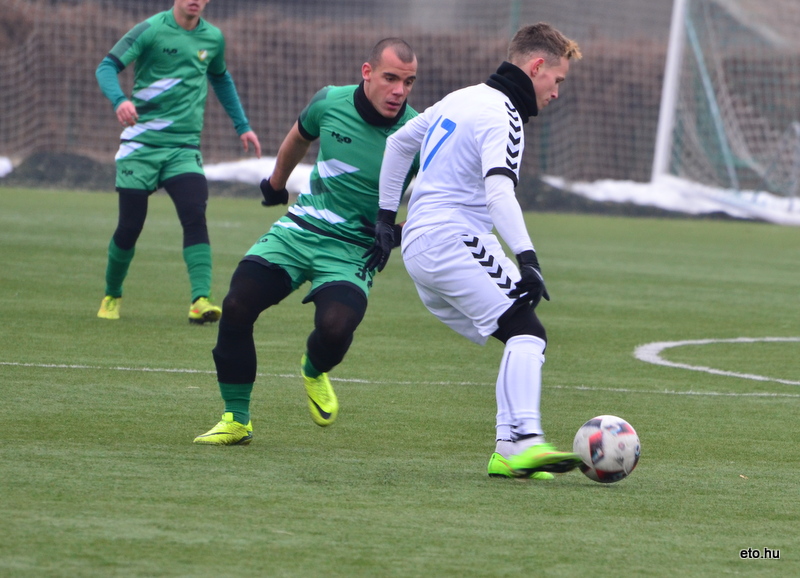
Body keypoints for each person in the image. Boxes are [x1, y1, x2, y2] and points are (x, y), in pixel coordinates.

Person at [367, 23, 583, 479]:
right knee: (527, 332)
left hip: (426, 246)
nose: (556, 93)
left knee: (519, 333)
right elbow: (499, 193)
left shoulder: (462, 97)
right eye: (557, 80)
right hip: (452, 240)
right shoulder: (504, 114)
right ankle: (526, 441)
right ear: (537, 66)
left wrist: (387, 219)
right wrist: (528, 259)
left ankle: (508, 450)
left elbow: (399, 142)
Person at [193, 38, 418, 444]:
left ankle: (314, 369)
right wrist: (276, 183)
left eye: (408, 82)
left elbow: (443, 200)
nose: (399, 91)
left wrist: (398, 232)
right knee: (237, 304)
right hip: (302, 227)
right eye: (391, 78)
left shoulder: (419, 132)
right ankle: (236, 419)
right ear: (367, 73)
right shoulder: (329, 101)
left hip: (354, 247)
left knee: (335, 329)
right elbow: (299, 136)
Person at [95, 0, 261, 324]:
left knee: (194, 214)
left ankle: (200, 300)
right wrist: (119, 100)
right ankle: (112, 295)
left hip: (183, 147)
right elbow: (106, 67)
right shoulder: (150, 30)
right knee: (130, 227)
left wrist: (243, 126)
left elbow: (221, 79)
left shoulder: (213, 38)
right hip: (140, 146)